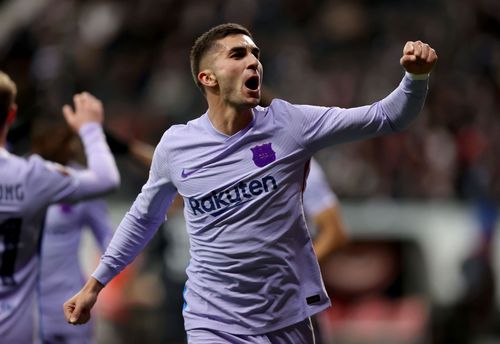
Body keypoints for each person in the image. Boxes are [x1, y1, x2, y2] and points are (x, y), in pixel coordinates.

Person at [65, 23, 437, 343]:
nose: (254, 60)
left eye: (255, 53)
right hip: (213, 319)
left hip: (286, 316)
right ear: (207, 77)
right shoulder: (176, 147)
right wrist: (95, 284)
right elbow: (143, 218)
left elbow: (387, 116)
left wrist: (415, 78)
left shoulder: (291, 125)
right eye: (238, 54)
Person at [0, 70, 120, 344]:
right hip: (26, 309)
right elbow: (107, 178)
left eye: (59, 134)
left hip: (66, 304)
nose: (52, 139)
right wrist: (92, 129)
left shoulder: (47, 177)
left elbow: (110, 241)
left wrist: (97, 286)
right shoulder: (31, 175)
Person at [31, 120, 115, 344]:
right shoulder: (23, 179)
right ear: (39, 142)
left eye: (71, 140)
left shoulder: (84, 184)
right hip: (27, 304)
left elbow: (109, 241)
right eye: (63, 140)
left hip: (70, 298)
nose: (72, 147)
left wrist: (101, 286)